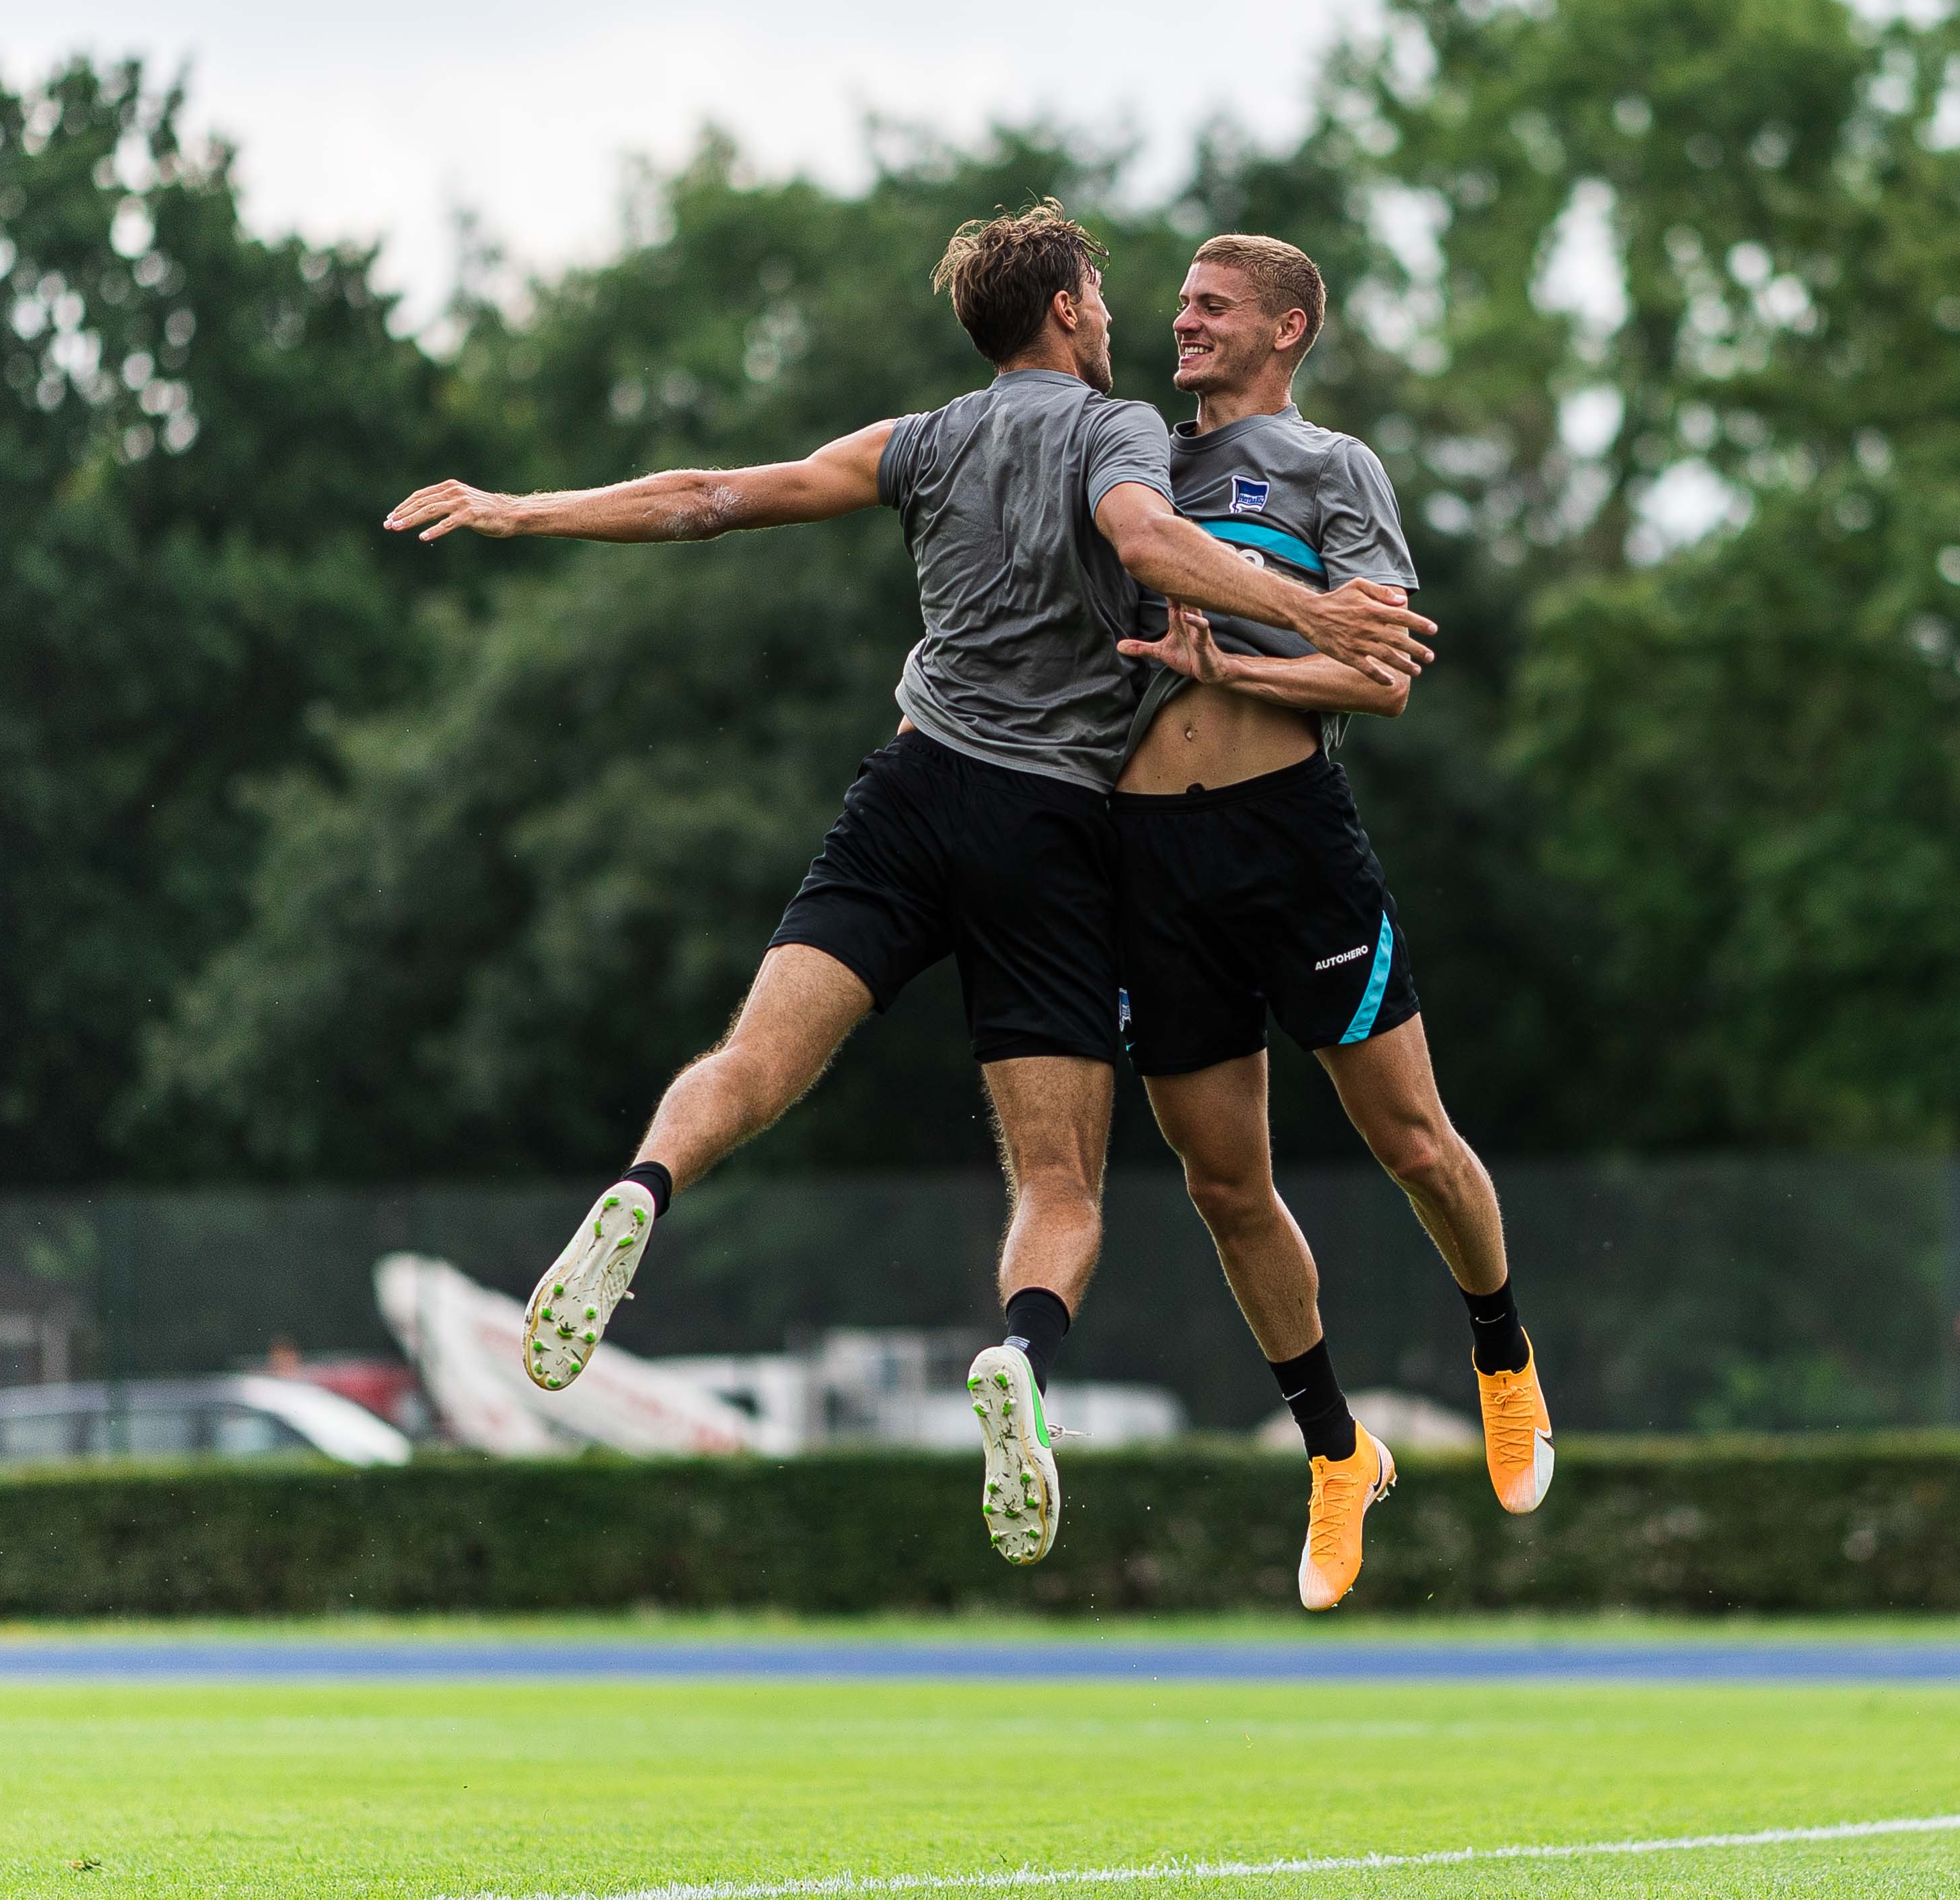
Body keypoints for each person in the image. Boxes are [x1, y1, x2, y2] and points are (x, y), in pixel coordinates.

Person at [384, 203, 1433, 1571]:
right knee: (1059, 1184)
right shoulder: (1117, 433)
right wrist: (1316, 610)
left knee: (751, 1064)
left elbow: (715, 496)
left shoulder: (925, 440)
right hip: (1043, 834)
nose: (1124, 318)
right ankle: (1016, 1358)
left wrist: (522, 507)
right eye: (1106, 296)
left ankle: (642, 1187)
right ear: (1064, 312)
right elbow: (1153, 540)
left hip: (908, 791)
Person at [1109, 235, 1552, 1612]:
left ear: (1287, 328)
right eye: (1179, 302)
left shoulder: (1331, 470)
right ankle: (1335, 1450)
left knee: (1410, 1138)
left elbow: (1381, 678)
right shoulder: (1125, 462)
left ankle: (1503, 1355)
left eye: (1213, 305)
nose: (1181, 321)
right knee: (1222, 1184)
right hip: (1147, 858)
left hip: (1289, 843)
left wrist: (1227, 654)